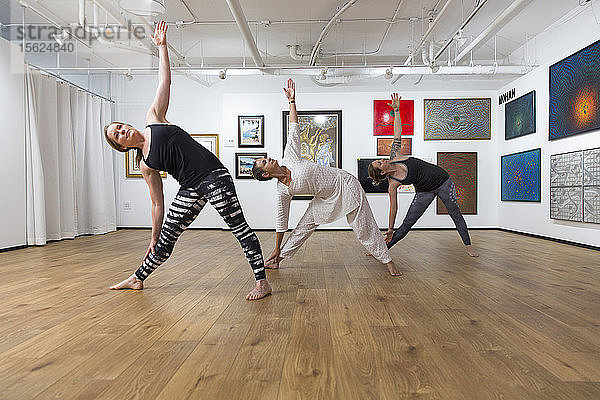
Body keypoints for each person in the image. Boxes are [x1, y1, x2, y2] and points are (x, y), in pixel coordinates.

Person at [103, 21, 271, 300]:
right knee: (167, 237)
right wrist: (153, 235)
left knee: (238, 227)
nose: (123, 130)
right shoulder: (146, 164)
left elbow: (164, 82)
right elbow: (157, 203)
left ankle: (261, 282)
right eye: (117, 135)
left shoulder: (153, 119)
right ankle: (137, 278)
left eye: (120, 126)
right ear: (120, 146)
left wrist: (162, 48)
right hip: (190, 187)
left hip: (214, 175)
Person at [252, 79, 401, 276]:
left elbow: (294, 128)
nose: (268, 158)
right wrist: (277, 247)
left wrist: (292, 101)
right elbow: (282, 221)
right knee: (302, 228)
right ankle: (278, 259)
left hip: (344, 184)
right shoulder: (282, 191)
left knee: (363, 226)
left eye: (265, 158)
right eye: (264, 162)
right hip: (324, 198)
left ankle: (388, 261)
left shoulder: (289, 157)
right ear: (265, 174)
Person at [368, 93, 478, 257]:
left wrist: (396, 110)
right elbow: (393, 208)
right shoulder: (393, 184)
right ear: (382, 172)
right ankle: (382, 250)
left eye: (379, 159)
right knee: (407, 223)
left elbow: (397, 132)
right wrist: (390, 228)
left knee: (455, 213)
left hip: (443, 182)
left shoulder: (395, 154)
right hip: (424, 191)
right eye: (379, 163)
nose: (382, 159)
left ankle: (468, 246)